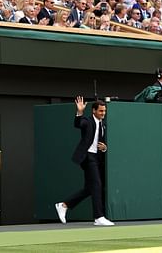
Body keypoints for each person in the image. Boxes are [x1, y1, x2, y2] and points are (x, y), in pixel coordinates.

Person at [55, 97, 114, 226]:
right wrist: (80, 112)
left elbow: (102, 142)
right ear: (93, 111)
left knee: (90, 188)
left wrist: (105, 148)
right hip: (87, 157)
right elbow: (78, 124)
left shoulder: (103, 124)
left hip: (97, 158)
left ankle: (64, 205)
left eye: (104, 111)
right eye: (100, 111)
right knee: (97, 185)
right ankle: (99, 217)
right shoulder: (87, 121)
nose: (103, 113)